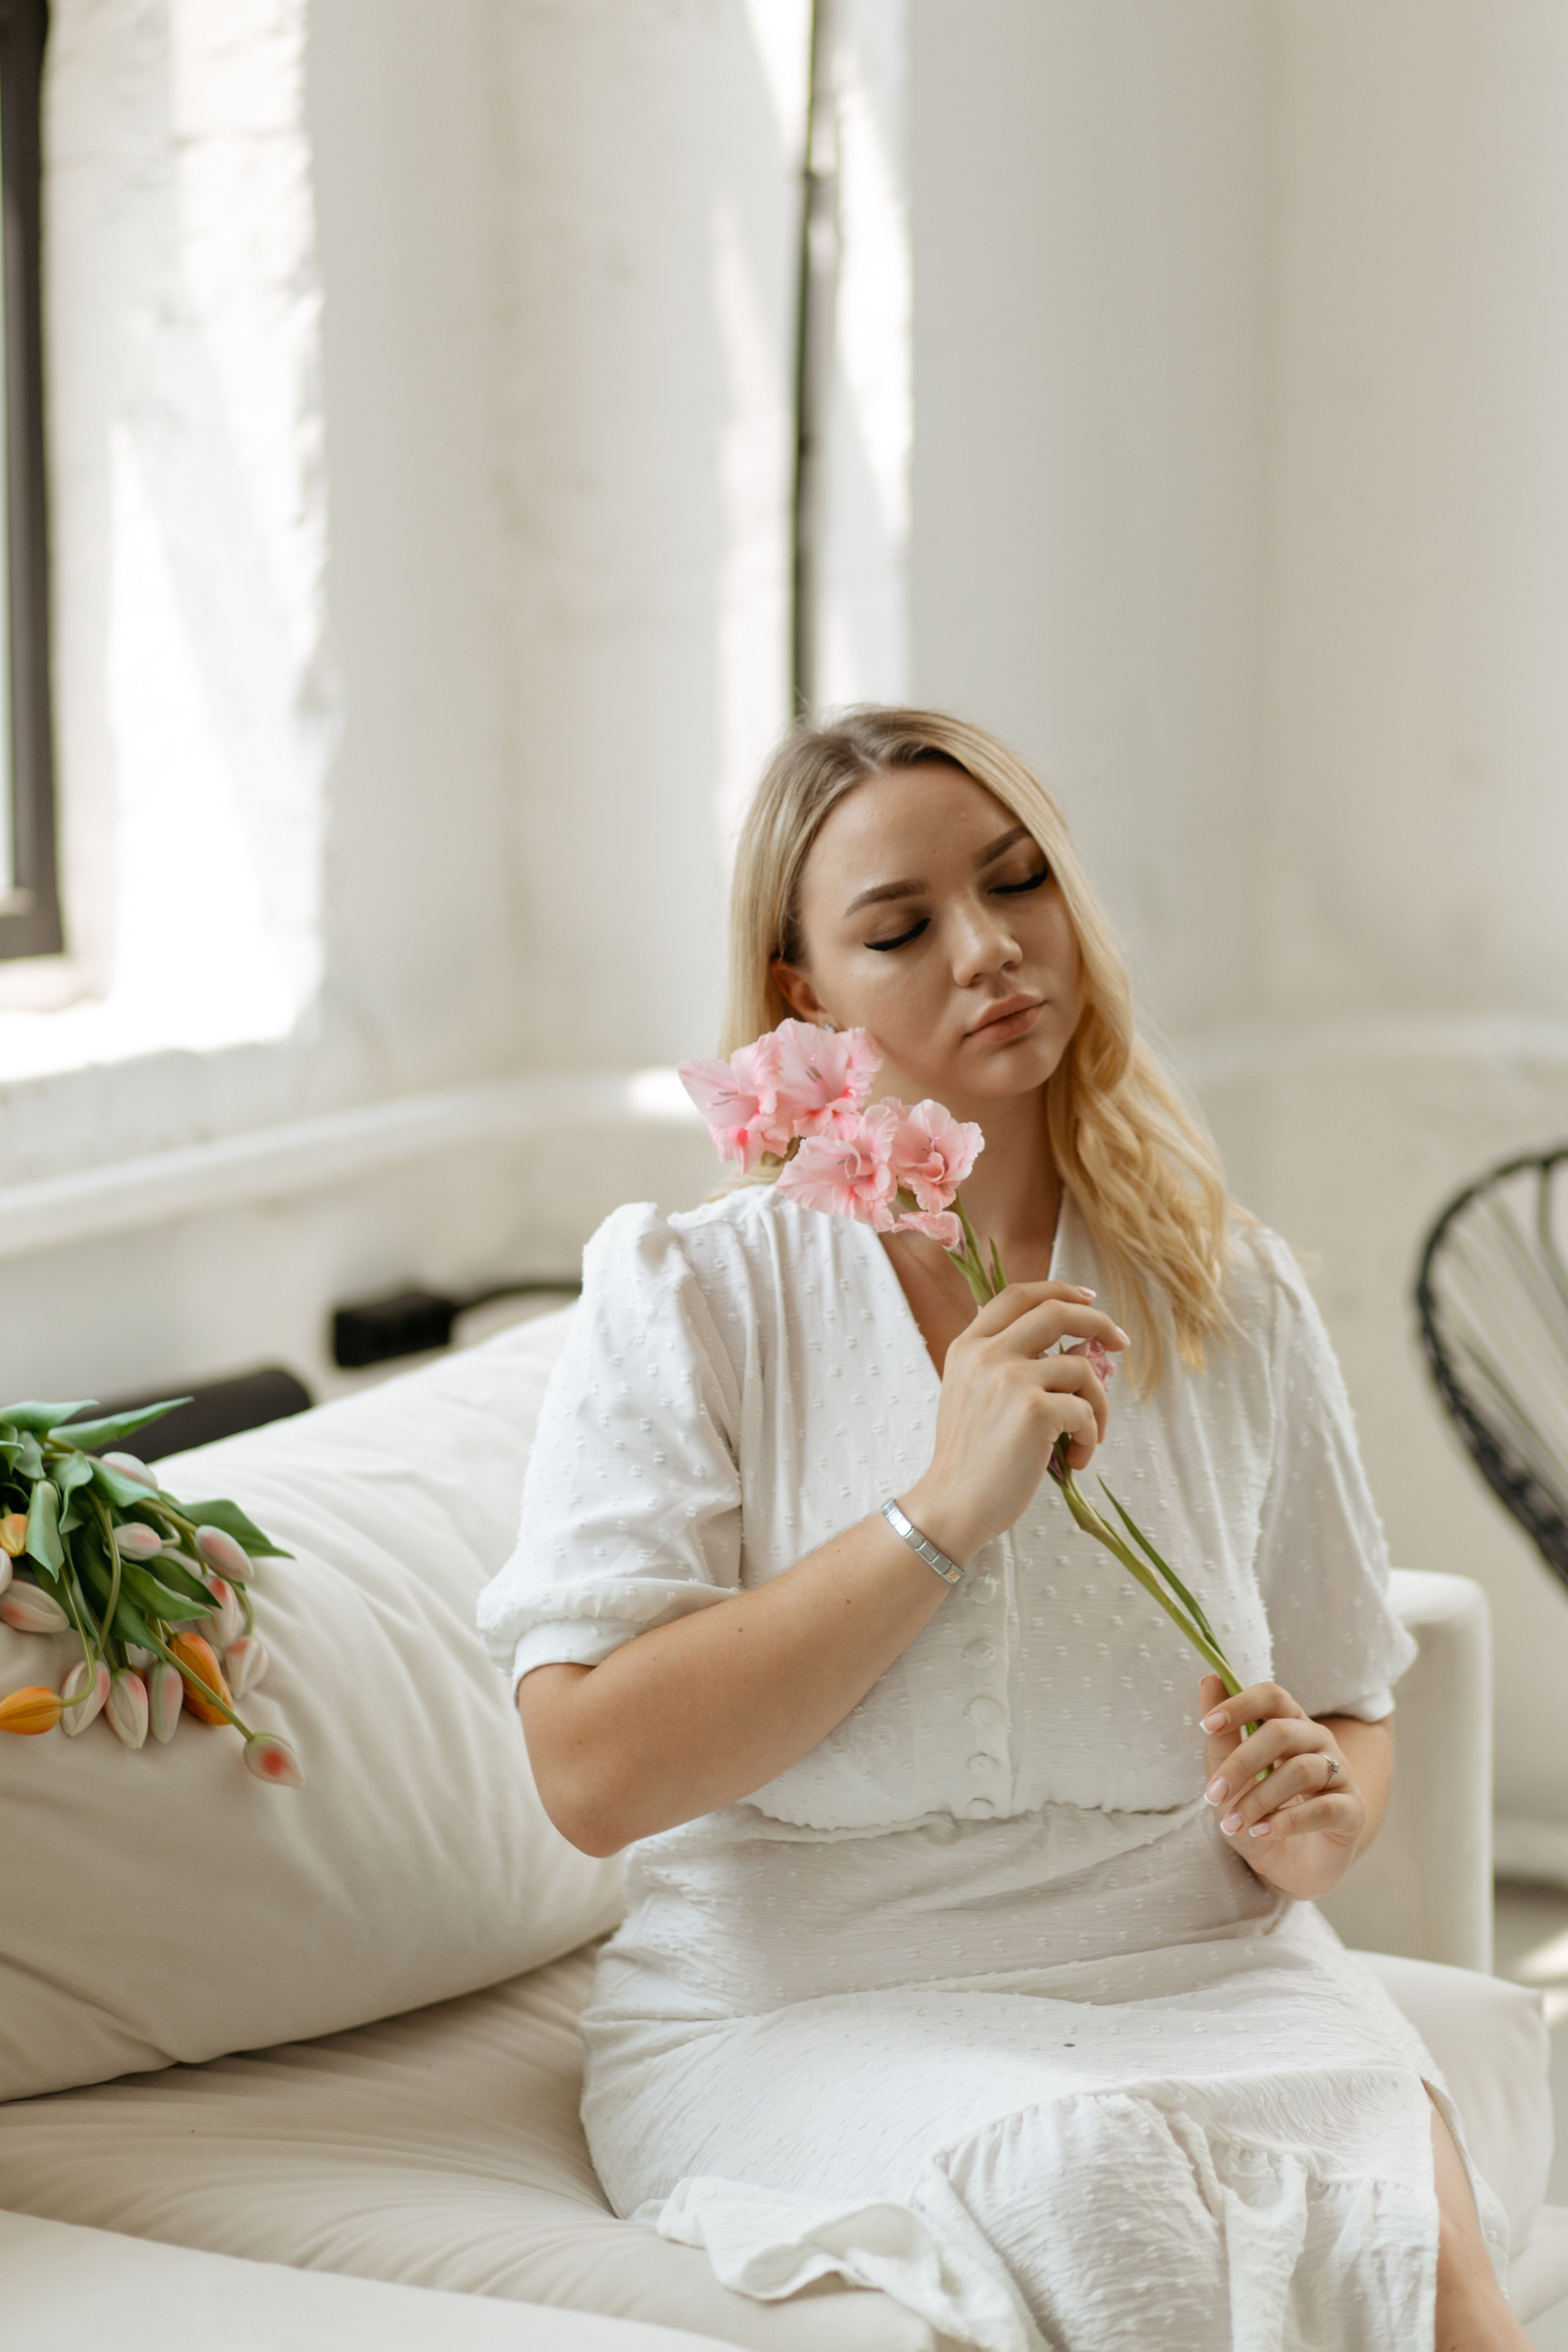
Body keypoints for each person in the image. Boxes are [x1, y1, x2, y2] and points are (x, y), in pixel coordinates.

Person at [478, 707, 1525, 2352]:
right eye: (901, 928)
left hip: (1216, 1974)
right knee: (1099, 2173)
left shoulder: (1225, 1290)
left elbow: (1346, 1700)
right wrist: (938, 1511)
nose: (988, 949)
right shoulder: (692, 1292)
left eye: (1019, 882)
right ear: (804, 994)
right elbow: (591, 1774)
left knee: (1418, 2248)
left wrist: (1317, 1828)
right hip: (808, 2009)